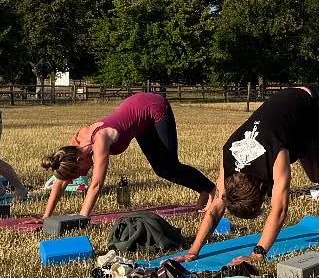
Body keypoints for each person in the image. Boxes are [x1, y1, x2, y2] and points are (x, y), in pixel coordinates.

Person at [181, 86, 319, 266]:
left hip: (317, 106)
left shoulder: (276, 154)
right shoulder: (230, 154)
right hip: (290, 116)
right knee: (316, 171)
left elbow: (280, 209)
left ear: (261, 187)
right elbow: (216, 207)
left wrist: (257, 254)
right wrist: (193, 250)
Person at [40, 92, 216, 221]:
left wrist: (82, 218)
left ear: (80, 160)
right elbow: (61, 181)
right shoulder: (73, 147)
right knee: (161, 170)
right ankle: (203, 191)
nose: (83, 175)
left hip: (152, 107)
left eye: (80, 173)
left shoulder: (100, 141)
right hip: (140, 119)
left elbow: (96, 185)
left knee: (170, 165)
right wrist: (46, 217)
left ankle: (213, 191)